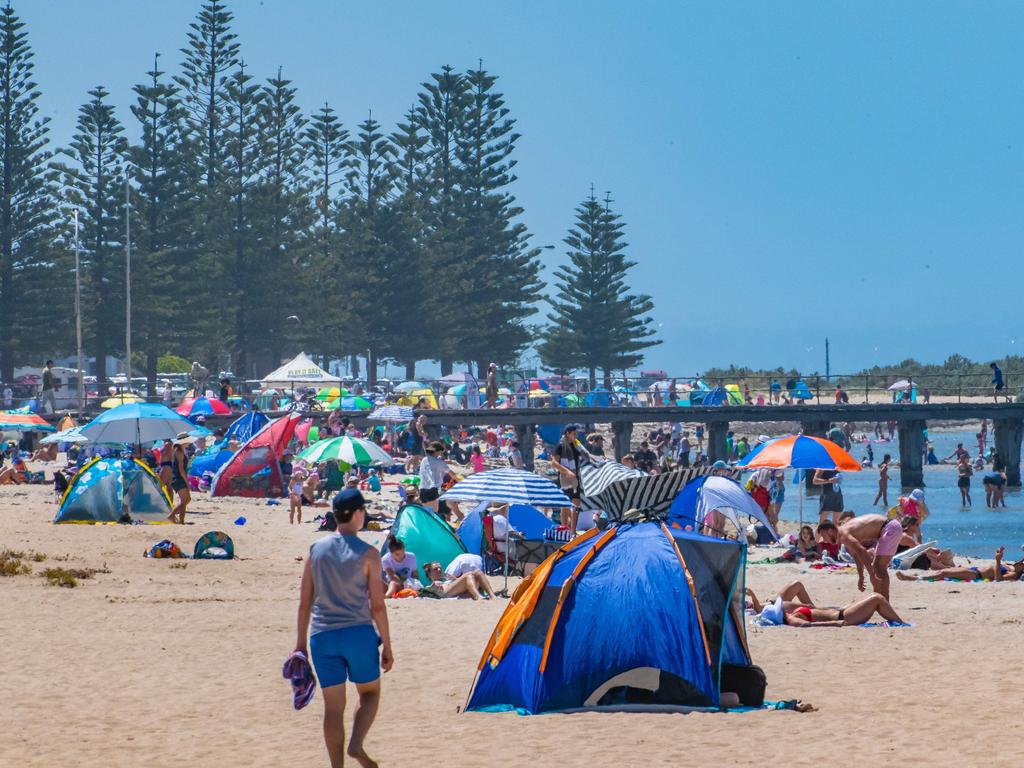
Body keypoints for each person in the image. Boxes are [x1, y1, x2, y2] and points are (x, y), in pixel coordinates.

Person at [294, 488, 392, 768]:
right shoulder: (369, 554)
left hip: (321, 636)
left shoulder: (316, 549)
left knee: (333, 708)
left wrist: (300, 644)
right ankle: (356, 744)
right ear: (358, 513)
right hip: (358, 634)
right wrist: (387, 644)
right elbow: (377, 606)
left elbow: (304, 603)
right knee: (370, 693)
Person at [747, 582, 905, 627]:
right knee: (877, 598)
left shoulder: (789, 613)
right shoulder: (791, 620)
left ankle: (898, 622)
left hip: (843, 612)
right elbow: (808, 626)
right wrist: (836, 623)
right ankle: (901, 623)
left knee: (874, 598)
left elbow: (815, 610)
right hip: (844, 617)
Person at [839, 513, 919, 600]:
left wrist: (871, 575)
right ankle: (879, 600)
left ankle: (883, 601)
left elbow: (862, 552)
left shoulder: (844, 533)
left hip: (889, 528)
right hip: (890, 527)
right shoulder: (849, 530)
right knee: (878, 567)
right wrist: (861, 576)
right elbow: (857, 554)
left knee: (879, 567)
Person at [897, 546, 1024, 582]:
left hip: (976, 574)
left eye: (1021, 562)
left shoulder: (1014, 574)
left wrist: (997, 560)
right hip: (973, 569)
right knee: (943, 569)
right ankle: (916, 576)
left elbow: (999, 579)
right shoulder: (1010, 567)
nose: (1018, 561)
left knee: (944, 572)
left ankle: (913, 578)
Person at [551, 424, 585, 532]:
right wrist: (567, 471)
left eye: (577, 433)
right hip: (565, 478)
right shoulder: (560, 446)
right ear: (567, 433)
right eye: (574, 434)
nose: (576, 435)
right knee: (565, 505)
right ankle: (564, 529)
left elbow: (585, 456)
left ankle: (573, 531)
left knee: (576, 505)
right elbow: (554, 463)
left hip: (576, 478)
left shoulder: (577, 446)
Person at [422, 560, 494, 599]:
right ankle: (477, 596)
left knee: (478, 572)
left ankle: (492, 596)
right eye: (435, 569)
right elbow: (426, 591)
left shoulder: (447, 579)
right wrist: (434, 585)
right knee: (468, 575)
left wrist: (455, 579)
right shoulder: (432, 585)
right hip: (445, 593)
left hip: (454, 589)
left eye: (440, 568)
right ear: (429, 574)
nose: (439, 570)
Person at [418, 441, 451, 515]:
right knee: (434, 514)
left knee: (426, 513)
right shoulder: (439, 462)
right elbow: (451, 473)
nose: (440, 454)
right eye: (440, 452)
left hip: (422, 489)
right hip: (433, 489)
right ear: (437, 451)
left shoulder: (424, 460)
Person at [168, 433, 192, 524]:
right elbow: (181, 469)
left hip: (177, 478)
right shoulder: (179, 451)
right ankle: (171, 515)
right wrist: (187, 483)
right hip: (179, 478)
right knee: (186, 500)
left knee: (185, 500)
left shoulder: (180, 450)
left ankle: (181, 521)